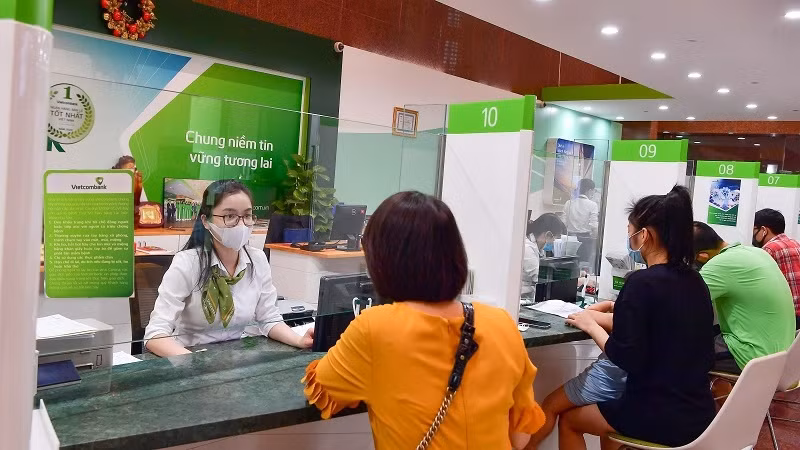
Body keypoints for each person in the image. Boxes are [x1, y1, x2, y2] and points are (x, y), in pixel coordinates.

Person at [302, 191, 545, 449]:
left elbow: (324, 389)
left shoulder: (375, 328)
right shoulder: (500, 323)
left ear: (382, 258)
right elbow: (521, 437)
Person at [557, 185, 716, 448]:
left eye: (630, 230)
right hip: (698, 412)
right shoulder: (695, 280)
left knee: (570, 421)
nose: (629, 236)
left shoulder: (642, 282)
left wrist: (589, 324)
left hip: (657, 415)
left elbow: (626, 356)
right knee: (608, 415)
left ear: (646, 235)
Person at [144, 180, 313, 357]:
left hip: (236, 358)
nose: (241, 225)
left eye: (247, 216)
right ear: (206, 221)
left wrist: (299, 340)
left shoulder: (257, 260)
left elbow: (269, 319)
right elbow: (155, 335)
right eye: (229, 216)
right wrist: (191, 363)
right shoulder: (187, 263)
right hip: (189, 359)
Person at [694, 221, 795, 374]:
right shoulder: (756, 252)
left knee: (681, 351)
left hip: (752, 356)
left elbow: (681, 302)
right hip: (781, 353)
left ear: (702, 256)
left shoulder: (718, 264)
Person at [753, 208, 800, 329]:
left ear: (763, 230)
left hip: (786, 312)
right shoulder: (795, 243)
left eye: (753, 230)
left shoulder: (769, 249)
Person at [522, 213, 567, 295]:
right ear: (548, 235)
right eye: (555, 238)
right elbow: (540, 276)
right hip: (522, 296)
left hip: (531, 294)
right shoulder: (527, 248)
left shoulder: (539, 248)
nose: (554, 242)